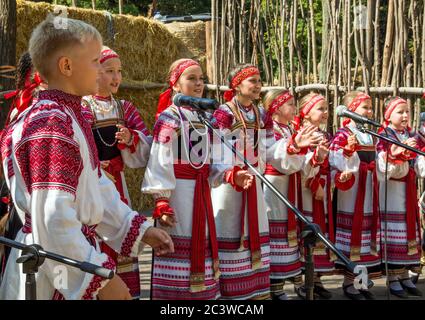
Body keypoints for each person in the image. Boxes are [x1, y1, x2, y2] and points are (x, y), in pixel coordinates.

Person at [0, 16, 173, 300]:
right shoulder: (50, 124)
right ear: (66, 66)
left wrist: (134, 226)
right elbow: (53, 219)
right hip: (55, 268)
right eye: (95, 61)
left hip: (68, 253)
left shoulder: (71, 115)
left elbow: (93, 186)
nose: (101, 68)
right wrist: (100, 278)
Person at [210, 64, 296, 300]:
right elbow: (216, 151)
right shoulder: (224, 113)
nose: (258, 85)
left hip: (254, 184)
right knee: (230, 231)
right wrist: (232, 173)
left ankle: (254, 294)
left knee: (254, 233)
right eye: (253, 81)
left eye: (259, 81)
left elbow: (270, 150)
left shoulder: (261, 114)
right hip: (229, 187)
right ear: (237, 85)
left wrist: (292, 147)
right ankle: (230, 295)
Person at [141, 59, 220, 300]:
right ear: (175, 85)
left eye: (201, 79)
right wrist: (161, 200)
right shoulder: (170, 117)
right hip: (179, 193)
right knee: (179, 242)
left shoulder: (209, 118)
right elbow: (160, 157)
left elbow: (217, 156)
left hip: (202, 191)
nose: (198, 84)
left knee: (202, 242)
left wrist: (227, 172)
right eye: (191, 78)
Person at [82, 46, 152, 299]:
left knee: (120, 229)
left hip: (117, 184)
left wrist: (130, 139)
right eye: (109, 70)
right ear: (93, 71)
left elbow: (146, 147)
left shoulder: (125, 108)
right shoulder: (82, 106)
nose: (116, 77)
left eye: (119, 71)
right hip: (91, 185)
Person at [262, 89, 321, 300]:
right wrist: (295, 148)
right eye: (290, 104)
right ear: (276, 107)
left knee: (289, 238)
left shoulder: (289, 129)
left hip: (290, 185)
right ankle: (274, 289)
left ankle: (290, 284)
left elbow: (299, 164)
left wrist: (316, 158)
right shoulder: (269, 129)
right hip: (274, 186)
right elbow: (275, 157)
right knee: (275, 235)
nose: (294, 108)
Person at [329, 91, 381, 300]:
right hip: (351, 194)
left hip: (367, 189)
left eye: (370, 108)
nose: (369, 111)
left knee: (364, 235)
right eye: (364, 108)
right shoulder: (343, 134)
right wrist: (348, 156)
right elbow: (334, 161)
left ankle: (360, 283)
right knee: (352, 236)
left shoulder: (369, 134)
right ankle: (349, 284)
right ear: (351, 110)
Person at [376, 96, 423, 298]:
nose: (405, 115)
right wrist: (399, 154)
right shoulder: (385, 134)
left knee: (407, 232)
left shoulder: (411, 134)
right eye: (399, 112)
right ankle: (393, 278)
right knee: (394, 231)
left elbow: (419, 159)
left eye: (407, 112)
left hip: (408, 189)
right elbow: (383, 165)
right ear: (388, 115)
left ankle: (404, 275)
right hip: (392, 189)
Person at [293, 92, 334, 299]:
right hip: (305, 190)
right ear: (306, 113)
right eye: (321, 109)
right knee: (306, 231)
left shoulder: (325, 135)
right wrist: (315, 182)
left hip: (320, 190)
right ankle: (302, 281)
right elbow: (299, 167)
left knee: (319, 230)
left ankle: (316, 278)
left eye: (327, 109)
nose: (326, 113)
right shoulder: (302, 134)